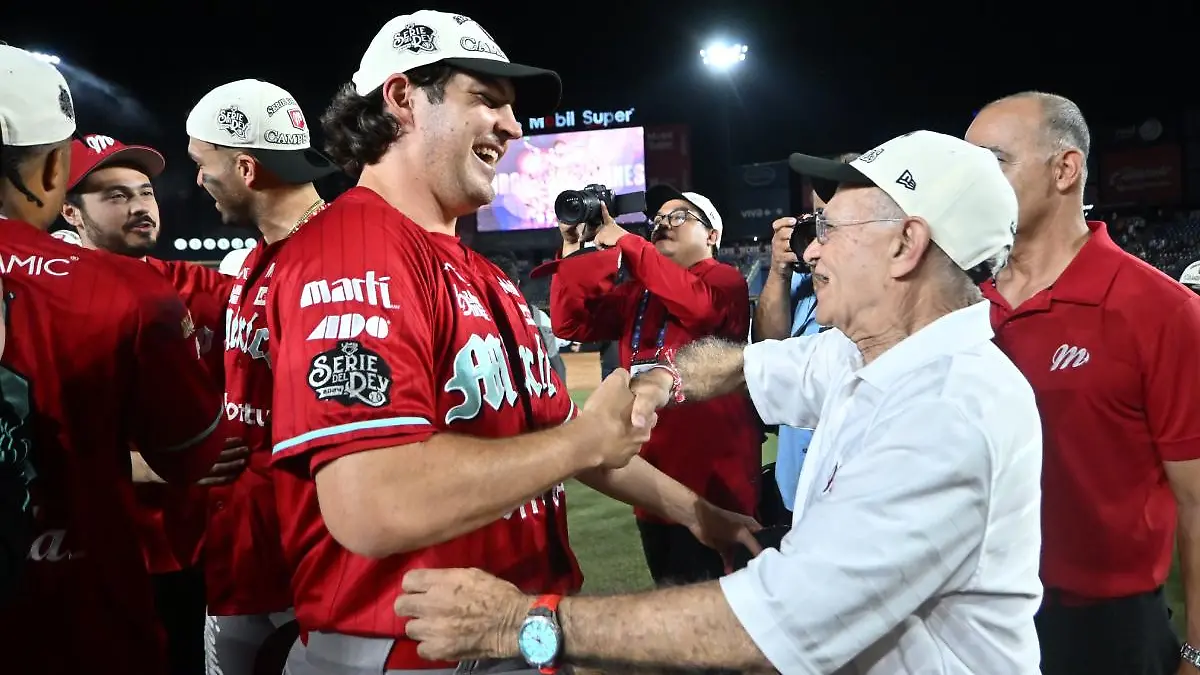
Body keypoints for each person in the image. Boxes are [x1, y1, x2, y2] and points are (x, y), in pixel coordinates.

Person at [394, 130, 1044, 675]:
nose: (811, 248)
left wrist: (522, 622)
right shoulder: (870, 350)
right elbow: (748, 361)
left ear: (907, 245)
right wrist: (663, 381)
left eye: (829, 228)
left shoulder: (949, 410)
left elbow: (769, 627)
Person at [264, 11, 758, 674]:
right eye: (486, 100)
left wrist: (699, 513)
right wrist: (580, 442)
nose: (513, 125)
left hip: (504, 633)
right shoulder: (357, 246)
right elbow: (372, 500)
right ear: (403, 97)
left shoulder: (480, 272)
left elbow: (559, 438)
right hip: (407, 650)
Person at [0, 45, 224, 675]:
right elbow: (194, 457)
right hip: (73, 615)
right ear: (53, 180)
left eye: (143, 190)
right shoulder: (125, 297)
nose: (138, 206)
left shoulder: (170, 284)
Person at [967, 91, 1200, 675]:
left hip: (1106, 633)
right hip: (974, 619)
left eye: (992, 162)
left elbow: (1198, 501)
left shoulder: (1159, 309)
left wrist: (1197, 653)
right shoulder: (961, 309)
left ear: (1065, 169)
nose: (971, 184)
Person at [59, 132, 245, 675]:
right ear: (70, 211)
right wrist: (137, 467)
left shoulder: (192, 287)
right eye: (115, 196)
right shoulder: (42, 299)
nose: (140, 206)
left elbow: (289, 285)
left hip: (196, 556)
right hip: (92, 555)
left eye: (145, 192)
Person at [185, 77, 340, 675]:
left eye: (204, 163)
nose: (198, 179)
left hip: (315, 566)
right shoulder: (254, 260)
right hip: (246, 563)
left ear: (246, 167)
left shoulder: (339, 261)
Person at [537, 185, 762, 587]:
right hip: (652, 482)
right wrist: (572, 250)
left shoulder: (724, 279)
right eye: (658, 219)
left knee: (722, 612)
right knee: (671, 594)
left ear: (712, 235)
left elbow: (700, 309)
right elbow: (571, 323)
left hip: (713, 483)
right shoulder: (641, 291)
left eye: (679, 217)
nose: (662, 225)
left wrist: (628, 242)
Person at [752, 153, 857, 519]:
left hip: (850, 495)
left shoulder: (882, 291)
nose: (818, 241)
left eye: (834, 224)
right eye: (816, 221)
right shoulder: (800, 281)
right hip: (796, 486)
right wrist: (780, 269)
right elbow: (768, 346)